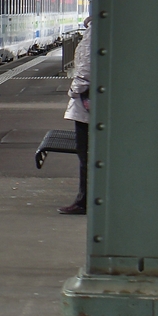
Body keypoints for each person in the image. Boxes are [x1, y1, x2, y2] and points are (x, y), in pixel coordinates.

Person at [59, 16, 92, 215]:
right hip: (90, 101)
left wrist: (74, 90)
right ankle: (85, 198)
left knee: (85, 152)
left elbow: (86, 67)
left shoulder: (94, 31)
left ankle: (84, 200)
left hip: (86, 103)